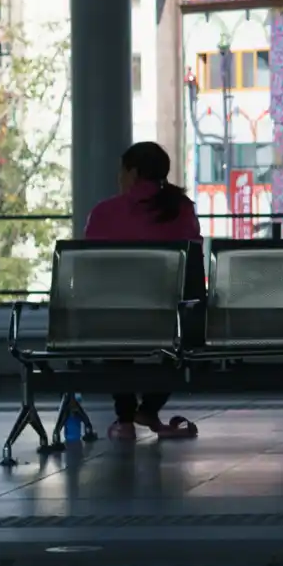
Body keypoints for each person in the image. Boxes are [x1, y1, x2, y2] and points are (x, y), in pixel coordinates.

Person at [81, 139, 204, 443]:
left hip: (117, 319)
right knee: (186, 340)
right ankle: (148, 409)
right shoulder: (183, 209)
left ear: (133, 173)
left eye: (121, 172)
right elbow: (193, 270)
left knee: (113, 332)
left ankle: (124, 419)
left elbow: (90, 271)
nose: (119, 178)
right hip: (171, 319)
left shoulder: (105, 213)